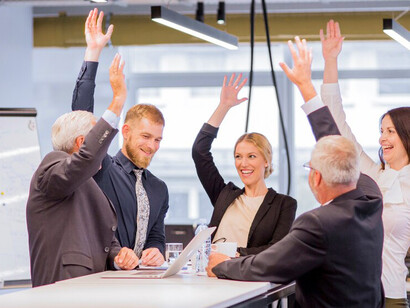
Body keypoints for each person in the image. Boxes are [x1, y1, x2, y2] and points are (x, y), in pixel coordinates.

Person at [207, 37, 384, 308]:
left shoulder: (318, 223)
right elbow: (340, 149)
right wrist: (305, 88)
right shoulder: (371, 200)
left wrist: (224, 265)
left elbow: (268, 265)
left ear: (317, 177)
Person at [27, 54, 139, 287]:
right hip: (61, 290)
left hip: (89, 286)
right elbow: (84, 160)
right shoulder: (52, 167)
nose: (104, 148)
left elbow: (103, 240)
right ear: (81, 143)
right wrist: (117, 101)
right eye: (95, 140)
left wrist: (119, 257)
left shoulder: (87, 182)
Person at [320, 20, 409, 306]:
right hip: (352, 295)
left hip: (392, 294)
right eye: (381, 130)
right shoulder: (373, 175)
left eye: (390, 131)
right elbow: (336, 123)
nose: (382, 138)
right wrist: (330, 61)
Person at [71, 9, 169, 266]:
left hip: (140, 286)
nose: (152, 146)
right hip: (100, 282)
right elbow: (80, 120)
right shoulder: (102, 169)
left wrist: (157, 250)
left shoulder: (159, 188)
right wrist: (92, 53)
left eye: (158, 140)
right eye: (146, 136)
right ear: (125, 132)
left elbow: (156, 236)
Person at [192, 74, 297, 256]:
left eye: (251, 156)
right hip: (210, 276)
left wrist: (234, 254)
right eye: (238, 156)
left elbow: (277, 250)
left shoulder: (283, 204)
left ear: (266, 160)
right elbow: (199, 151)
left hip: (244, 277)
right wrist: (223, 106)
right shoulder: (224, 195)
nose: (243, 163)